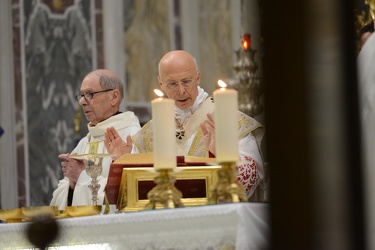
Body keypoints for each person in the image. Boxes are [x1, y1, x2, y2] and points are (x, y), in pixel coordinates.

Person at [105, 50, 266, 201]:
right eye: (172, 84)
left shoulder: (230, 119)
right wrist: (125, 162)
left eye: (186, 81)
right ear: (160, 83)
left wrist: (222, 154)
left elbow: (252, 176)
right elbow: (134, 192)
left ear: (198, 77)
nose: (181, 90)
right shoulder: (150, 132)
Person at [50, 69, 141, 210]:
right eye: (81, 95)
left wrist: (82, 177)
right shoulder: (85, 142)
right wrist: (72, 185)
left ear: (114, 96)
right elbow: (60, 196)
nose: (81, 102)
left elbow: (134, 194)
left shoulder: (134, 137)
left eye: (89, 94)